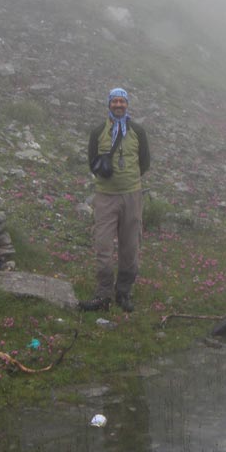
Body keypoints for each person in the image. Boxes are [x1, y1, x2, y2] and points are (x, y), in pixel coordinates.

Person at [81, 87, 150, 312]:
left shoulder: (138, 131)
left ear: (127, 104)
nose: (118, 105)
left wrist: (129, 182)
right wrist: (106, 174)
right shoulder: (98, 131)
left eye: (122, 101)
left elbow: (145, 162)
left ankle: (123, 292)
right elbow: (92, 161)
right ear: (109, 104)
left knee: (130, 247)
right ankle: (103, 294)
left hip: (132, 196)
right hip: (105, 197)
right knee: (103, 246)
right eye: (115, 101)